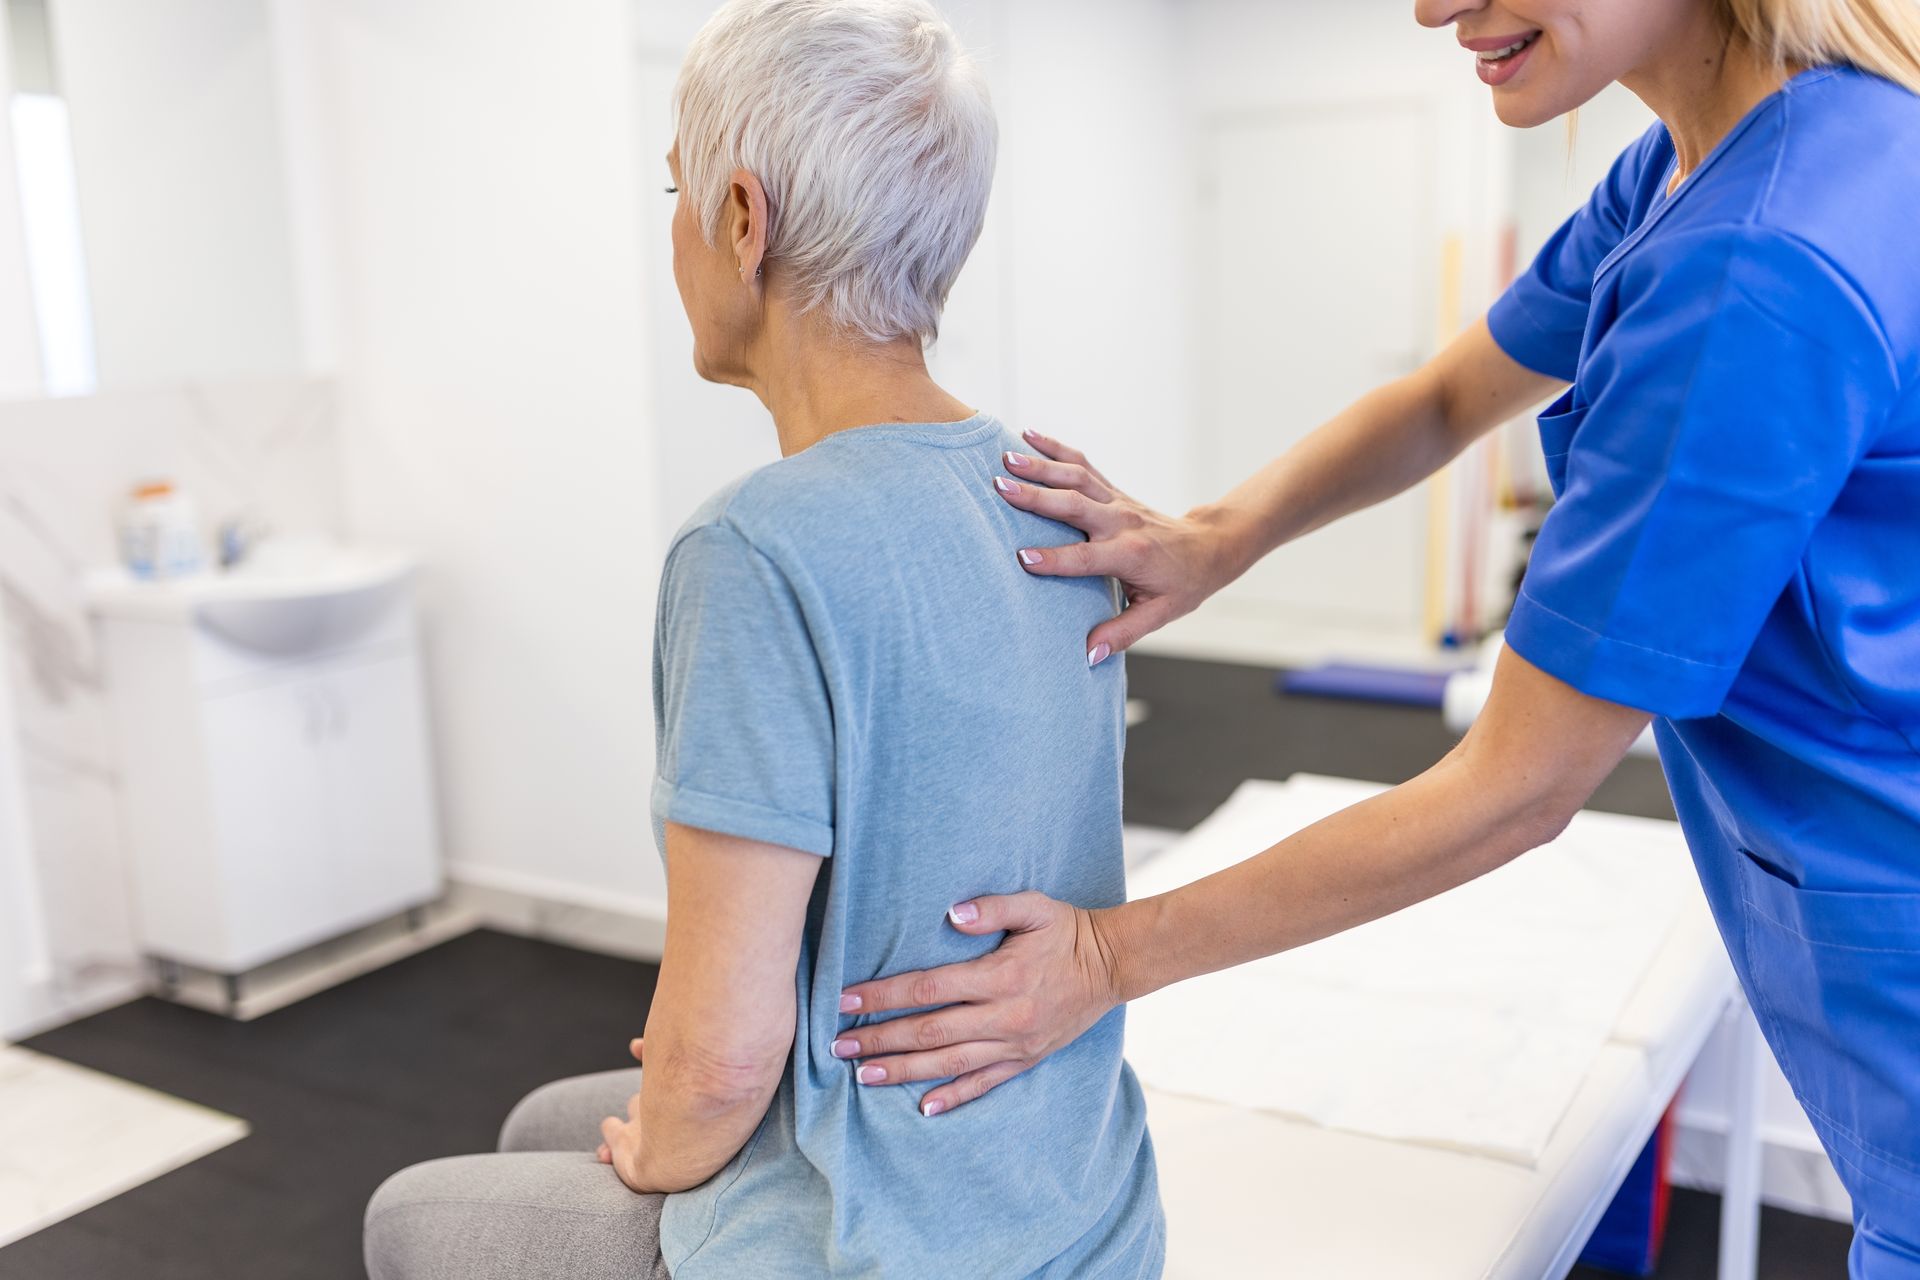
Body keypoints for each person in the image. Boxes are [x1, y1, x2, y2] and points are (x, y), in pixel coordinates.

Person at [832, 0, 1920, 1273]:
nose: (1433, 7)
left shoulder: (1753, 264)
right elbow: (1450, 394)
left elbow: (1514, 789)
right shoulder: (1720, 154)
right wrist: (1216, 536)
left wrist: (1103, 953)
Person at [362, 1, 1163, 1277]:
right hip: (1077, 1202)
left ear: (745, 219)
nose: (672, 235)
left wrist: (667, 1128)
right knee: (536, 1125)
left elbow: (723, 1061)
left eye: (679, 194)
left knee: (409, 1213)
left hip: (878, 1238)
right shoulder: (1059, 497)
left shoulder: (754, 550)